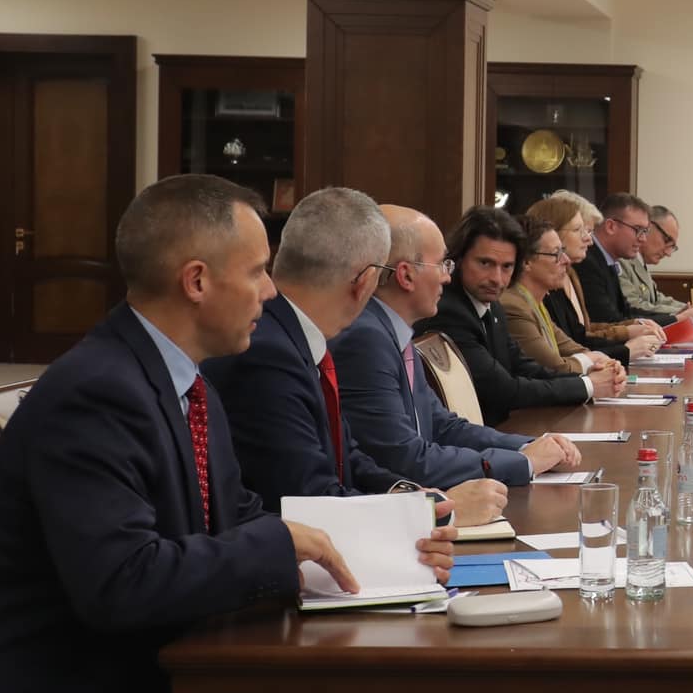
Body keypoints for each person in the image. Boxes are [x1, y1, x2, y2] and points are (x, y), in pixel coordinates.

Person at [0, 174, 451, 693]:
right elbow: (122, 582)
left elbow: (234, 515)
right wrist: (278, 546)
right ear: (197, 280)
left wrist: (386, 548)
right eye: (258, 271)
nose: (273, 293)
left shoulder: (183, 382)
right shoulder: (98, 393)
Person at [204, 188, 509, 523]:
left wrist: (409, 495)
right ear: (366, 282)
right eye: (255, 271)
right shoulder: (267, 354)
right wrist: (438, 514)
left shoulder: (294, 338)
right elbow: (313, 500)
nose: (267, 288)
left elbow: (348, 456)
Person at [332, 204, 584, 487]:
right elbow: (405, 460)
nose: (446, 277)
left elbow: (442, 426)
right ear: (405, 275)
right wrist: (524, 462)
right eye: (442, 264)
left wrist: (530, 446)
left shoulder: (390, 331)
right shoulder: (366, 339)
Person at [416, 206, 625, 425]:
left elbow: (523, 366)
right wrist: (589, 385)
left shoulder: (492, 305)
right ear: (458, 259)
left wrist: (590, 378)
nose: (497, 278)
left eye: (506, 267)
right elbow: (504, 390)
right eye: (485, 263)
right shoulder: (449, 311)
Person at [526, 192, 659, 361]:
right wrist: (625, 349)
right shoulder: (532, 293)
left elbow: (578, 336)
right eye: (580, 230)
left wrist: (629, 333)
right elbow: (560, 357)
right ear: (553, 233)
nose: (589, 239)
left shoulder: (570, 275)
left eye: (588, 231)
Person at [502, 216, 624, 375]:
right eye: (556, 254)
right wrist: (594, 361)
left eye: (563, 251)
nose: (566, 260)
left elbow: (573, 348)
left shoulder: (536, 303)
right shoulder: (513, 306)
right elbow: (556, 367)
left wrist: (605, 362)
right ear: (526, 262)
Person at [579, 193, 677, 331]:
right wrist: (676, 318)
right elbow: (609, 320)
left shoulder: (608, 261)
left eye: (645, 231)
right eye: (638, 230)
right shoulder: (586, 262)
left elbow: (626, 312)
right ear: (611, 227)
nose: (643, 239)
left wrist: (676, 318)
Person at [622, 203, 693, 325]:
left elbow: (657, 299)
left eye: (672, 246)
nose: (668, 253)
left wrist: (691, 309)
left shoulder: (640, 262)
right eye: (667, 240)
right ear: (649, 226)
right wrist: (682, 315)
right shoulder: (622, 261)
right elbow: (633, 305)